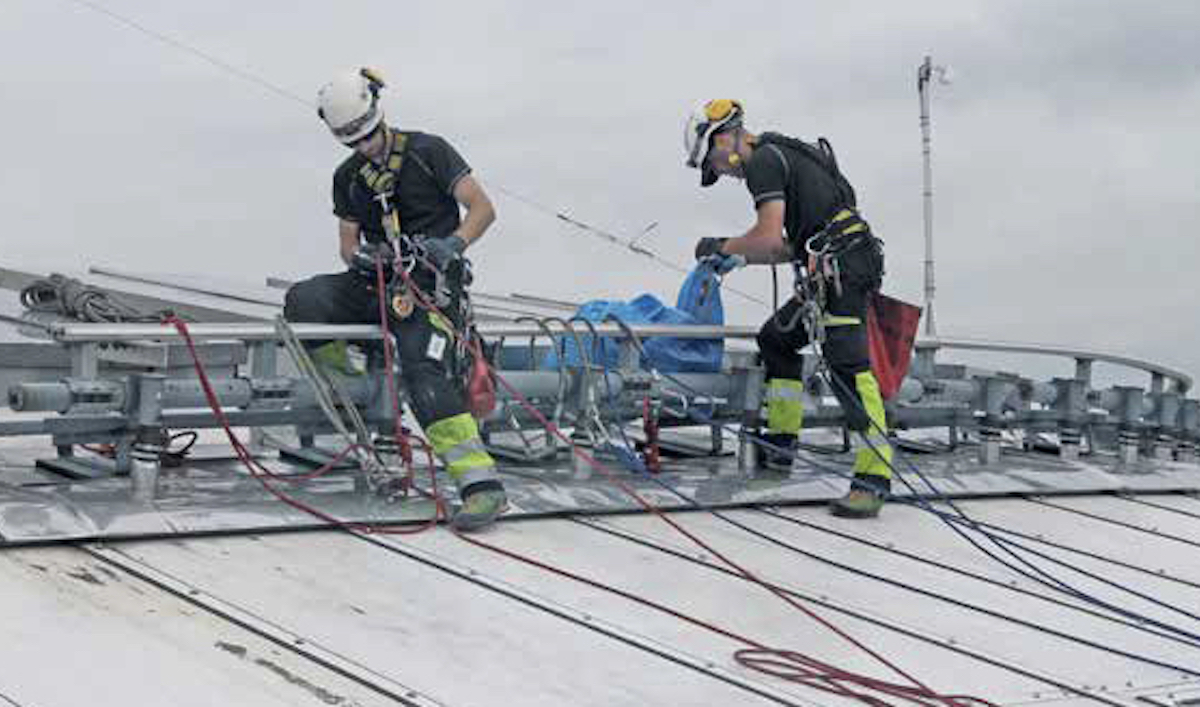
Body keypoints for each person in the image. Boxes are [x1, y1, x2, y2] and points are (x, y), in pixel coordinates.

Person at [284, 67, 506, 531]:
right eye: (353, 142)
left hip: (428, 287)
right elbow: (346, 244)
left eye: (367, 137)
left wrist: (454, 245)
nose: (364, 147)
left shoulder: (429, 152)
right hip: (379, 282)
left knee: (423, 367)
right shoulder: (348, 177)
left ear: (377, 115)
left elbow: (482, 208)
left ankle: (480, 485)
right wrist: (361, 258)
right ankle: (349, 391)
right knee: (304, 302)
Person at [684, 99, 892, 518]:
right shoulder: (782, 155)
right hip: (833, 267)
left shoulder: (761, 161)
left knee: (846, 363)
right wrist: (742, 258)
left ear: (723, 138)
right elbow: (787, 247)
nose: (723, 172)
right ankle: (782, 442)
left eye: (716, 164)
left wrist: (721, 246)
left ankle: (874, 476)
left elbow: (765, 235)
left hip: (844, 272)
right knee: (776, 339)